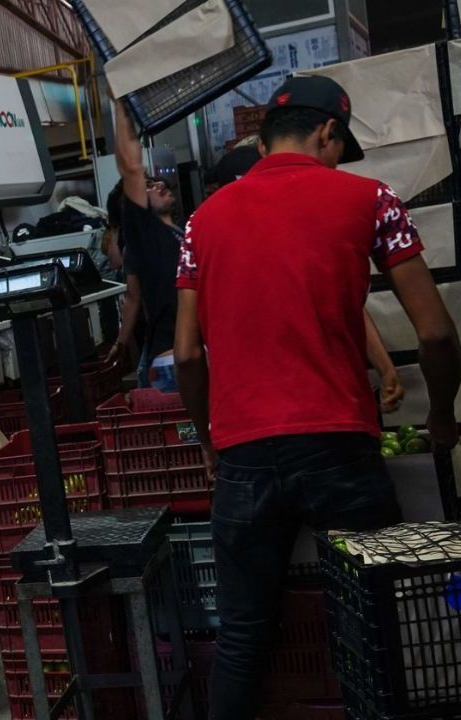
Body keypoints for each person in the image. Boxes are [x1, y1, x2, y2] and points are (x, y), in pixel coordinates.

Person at [173, 75, 461, 720]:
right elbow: (438, 332)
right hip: (338, 449)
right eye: (338, 145)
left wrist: (209, 438)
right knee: (373, 618)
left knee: (243, 634)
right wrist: (442, 416)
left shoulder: (202, 220)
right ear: (328, 132)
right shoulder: (371, 198)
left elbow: (188, 355)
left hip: (245, 456)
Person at [204, 136, 408, 415]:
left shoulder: (293, 238)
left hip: (285, 410)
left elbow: (346, 305)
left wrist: (385, 369)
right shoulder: (216, 241)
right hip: (292, 408)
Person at [108, 98, 184, 390]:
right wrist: (119, 99)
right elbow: (130, 165)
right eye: (148, 186)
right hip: (173, 363)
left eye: (158, 182)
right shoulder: (146, 233)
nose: (160, 184)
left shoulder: (179, 231)